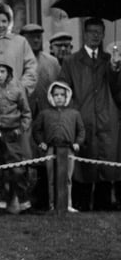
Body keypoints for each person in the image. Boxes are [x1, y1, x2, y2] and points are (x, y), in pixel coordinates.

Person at [58, 17, 121, 211]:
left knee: (106, 159)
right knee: (82, 163)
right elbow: (63, 89)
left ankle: (104, 202)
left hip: (106, 118)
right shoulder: (71, 61)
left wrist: (115, 70)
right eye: (91, 31)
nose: (95, 35)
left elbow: (116, 90)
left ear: (103, 34)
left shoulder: (109, 60)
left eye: (99, 32)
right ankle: (81, 202)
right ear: (84, 34)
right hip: (82, 117)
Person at [0, 56, 32, 214]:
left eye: (2, 71)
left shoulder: (16, 89)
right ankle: (0, 203)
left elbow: (26, 113)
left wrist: (19, 129)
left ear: (8, 73)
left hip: (11, 133)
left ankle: (23, 203)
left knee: (17, 169)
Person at [20, 23, 62, 211]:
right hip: (25, 116)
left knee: (47, 157)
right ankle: (27, 199)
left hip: (47, 117)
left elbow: (59, 87)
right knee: (27, 157)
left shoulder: (51, 62)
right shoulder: (20, 60)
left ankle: (46, 199)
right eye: (31, 37)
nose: (35, 40)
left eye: (38, 36)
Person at [32, 81, 85, 213]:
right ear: (51, 96)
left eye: (62, 94)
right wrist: (41, 142)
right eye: (56, 95)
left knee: (67, 178)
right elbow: (36, 130)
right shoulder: (45, 113)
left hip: (69, 150)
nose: (59, 97)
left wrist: (78, 143)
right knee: (51, 178)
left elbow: (81, 130)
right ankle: (52, 205)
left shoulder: (74, 114)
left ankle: (67, 204)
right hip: (51, 149)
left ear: (67, 96)